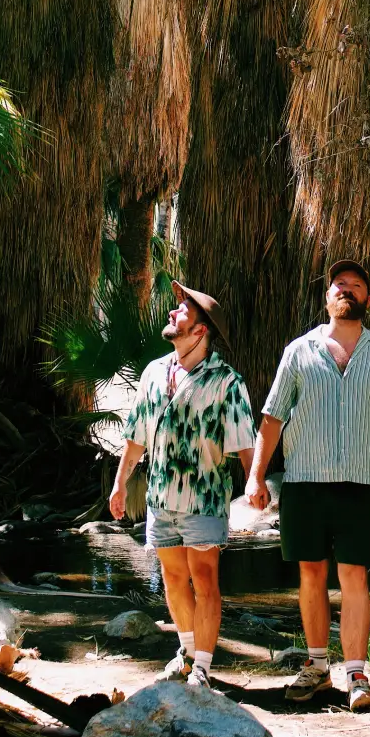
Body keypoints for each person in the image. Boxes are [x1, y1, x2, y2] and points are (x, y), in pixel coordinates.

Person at [244, 259, 370, 713]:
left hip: (360, 485)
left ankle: (357, 674)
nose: (348, 291)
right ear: (327, 297)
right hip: (303, 483)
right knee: (311, 574)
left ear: (368, 299)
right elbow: (272, 418)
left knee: (355, 577)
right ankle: (317, 667)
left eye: (357, 286)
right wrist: (256, 475)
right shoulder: (299, 351)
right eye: (340, 285)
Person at [110, 281, 255, 686]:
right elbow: (136, 435)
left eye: (183, 310)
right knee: (173, 579)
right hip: (160, 497)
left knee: (205, 579)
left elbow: (245, 440)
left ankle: (204, 668)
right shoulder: (154, 372)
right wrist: (120, 484)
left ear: (200, 330)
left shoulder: (226, 380)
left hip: (205, 496)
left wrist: (256, 480)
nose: (174, 313)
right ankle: (187, 653)